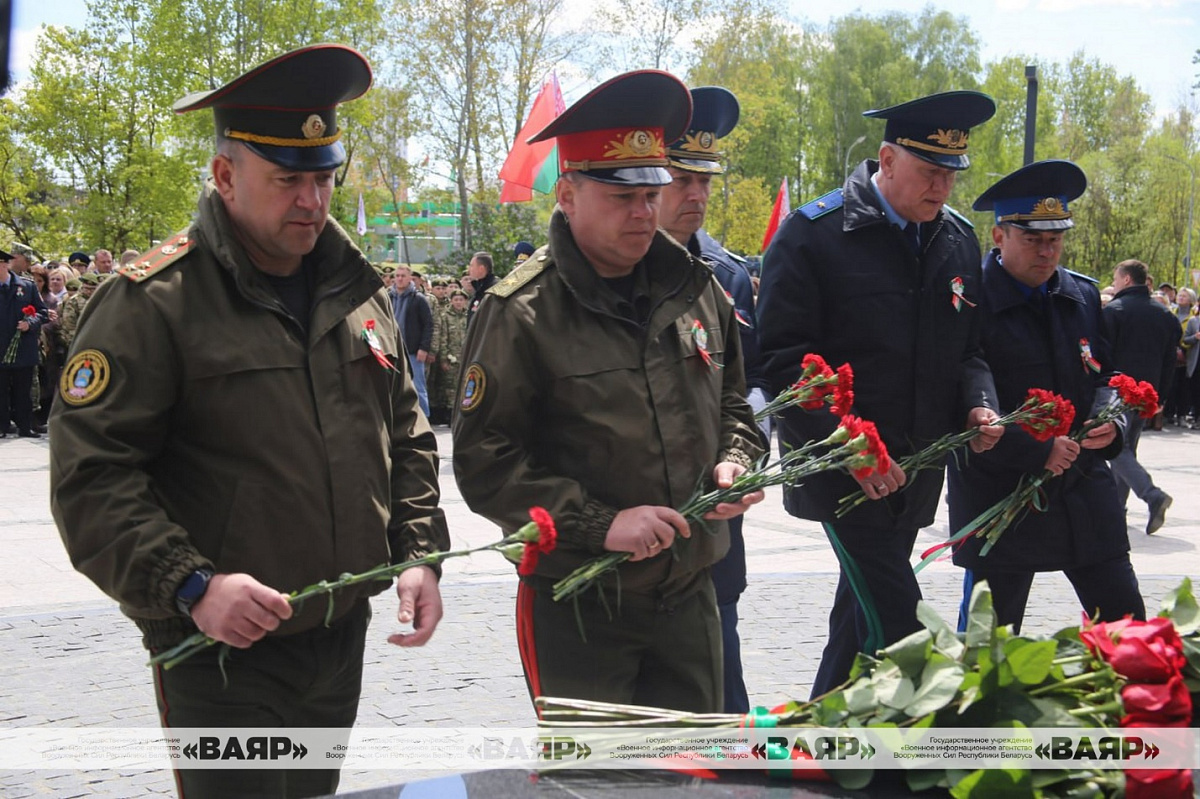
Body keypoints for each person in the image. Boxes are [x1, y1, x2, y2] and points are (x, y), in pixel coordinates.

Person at [50, 45, 449, 799]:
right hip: (219, 652)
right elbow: (91, 478)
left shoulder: (357, 292)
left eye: (323, 178)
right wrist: (192, 584)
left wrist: (419, 552)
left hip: (338, 635)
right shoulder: (153, 302)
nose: (312, 201)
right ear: (225, 175)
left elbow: (406, 435)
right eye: (287, 180)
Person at [452, 70, 764, 713]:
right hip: (583, 604)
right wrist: (601, 524)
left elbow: (734, 404)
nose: (644, 212)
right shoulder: (521, 313)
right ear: (567, 194)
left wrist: (737, 460)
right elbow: (485, 462)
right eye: (622, 195)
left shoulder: (696, 289)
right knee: (597, 765)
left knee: (691, 764)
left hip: (689, 594)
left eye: (651, 192)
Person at [757, 90, 1003, 698]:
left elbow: (969, 350)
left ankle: (821, 729)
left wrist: (979, 402)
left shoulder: (957, 240)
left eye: (951, 173)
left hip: (916, 467)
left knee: (860, 615)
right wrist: (850, 446)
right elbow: (785, 362)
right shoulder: (812, 235)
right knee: (901, 620)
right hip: (844, 472)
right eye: (929, 171)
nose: (942, 187)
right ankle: (949, 726)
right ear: (887, 160)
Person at [949, 160, 1144, 631]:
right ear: (999, 236)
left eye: (1055, 239)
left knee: (1127, 630)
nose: (1046, 251)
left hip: (1083, 491)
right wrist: (1034, 448)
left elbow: (1106, 375)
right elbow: (957, 391)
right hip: (1004, 495)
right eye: (1032, 239)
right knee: (988, 645)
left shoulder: (1081, 296)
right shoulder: (968, 301)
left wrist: (1111, 422)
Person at [658, 85, 765, 714]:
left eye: (704, 180)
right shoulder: (600, 272)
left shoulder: (727, 276)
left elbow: (748, 390)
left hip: (714, 518)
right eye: (681, 179)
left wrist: (741, 457)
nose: (696, 195)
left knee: (723, 677)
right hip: (634, 531)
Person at [1103, 258, 1180, 534]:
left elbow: (1103, 355)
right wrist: (1161, 397)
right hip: (1147, 394)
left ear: (1126, 279)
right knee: (1126, 449)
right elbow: (1170, 361)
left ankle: (1151, 494)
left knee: (1115, 448)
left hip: (1117, 391)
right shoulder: (1165, 316)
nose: (1113, 284)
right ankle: (1115, 509)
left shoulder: (1114, 311)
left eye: (1115, 279)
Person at [0, 247, 49, 438]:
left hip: (22, 346)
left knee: (23, 390)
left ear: (5, 265)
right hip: (1, 346)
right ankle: (3, 425)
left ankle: (25, 425)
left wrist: (30, 323)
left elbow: (42, 312)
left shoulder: (27, 286)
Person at [389, 264, 434, 418]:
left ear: (410, 278)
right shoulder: (389, 297)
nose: (400, 279)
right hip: (393, 350)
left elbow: (428, 325)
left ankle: (424, 418)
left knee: (418, 387)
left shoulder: (418, 299)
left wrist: (424, 348)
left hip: (413, 351)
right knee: (394, 387)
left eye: (403, 276)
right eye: (397, 276)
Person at [465, 251, 496, 324]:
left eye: (471, 266)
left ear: (481, 268)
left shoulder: (494, 289)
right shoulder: (479, 288)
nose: (469, 270)